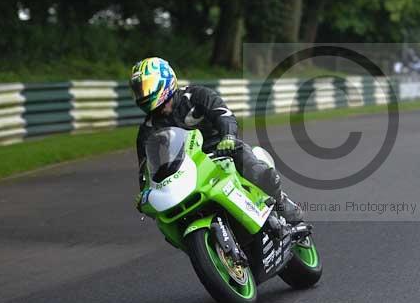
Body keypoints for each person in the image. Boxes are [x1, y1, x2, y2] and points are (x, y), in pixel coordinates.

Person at [130, 57, 304, 225]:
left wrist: (228, 136)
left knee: (254, 169)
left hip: (222, 149)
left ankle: (281, 203)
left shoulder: (196, 95)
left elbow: (223, 114)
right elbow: (145, 166)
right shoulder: (148, 128)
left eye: (145, 87)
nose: (142, 93)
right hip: (187, 168)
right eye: (138, 89)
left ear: (164, 80)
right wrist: (145, 191)